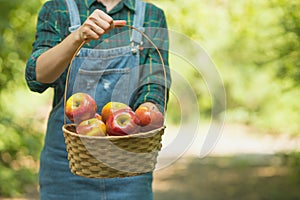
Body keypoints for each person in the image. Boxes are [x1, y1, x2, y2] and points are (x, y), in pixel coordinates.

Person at [25, 0, 171, 199]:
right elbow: (37, 77)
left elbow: (154, 82)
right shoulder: (57, 8)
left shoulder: (151, 15)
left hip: (129, 164)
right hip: (67, 164)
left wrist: (147, 112)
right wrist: (77, 37)